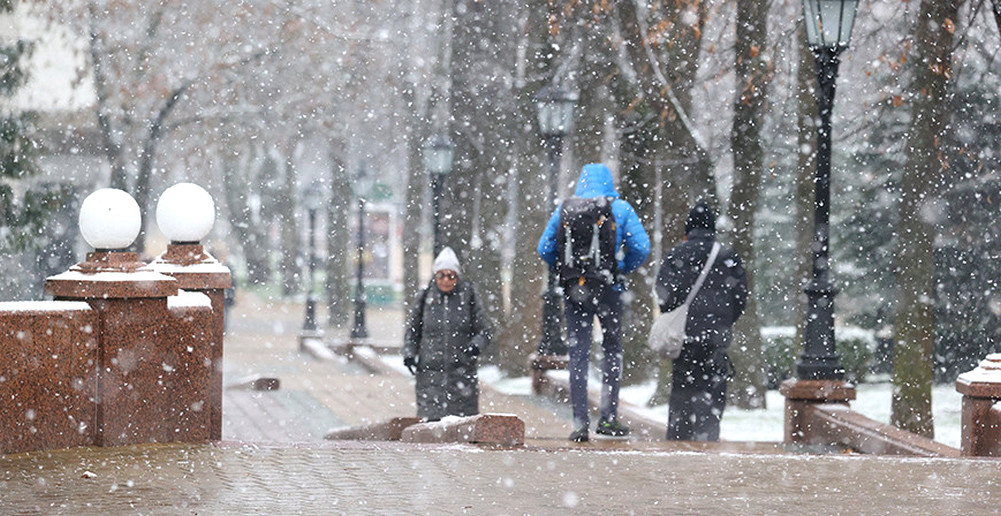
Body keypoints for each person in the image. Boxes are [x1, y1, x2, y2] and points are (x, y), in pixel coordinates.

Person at [537, 163, 650, 442]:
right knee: (612, 348)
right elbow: (642, 247)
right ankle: (609, 418)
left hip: (576, 289)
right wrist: (620, 266)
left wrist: (568, 272)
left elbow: (544, 248)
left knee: (578, 353)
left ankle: (580, 422)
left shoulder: (566, 208)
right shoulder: (620, 208)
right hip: (609, 288)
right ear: (609, 181)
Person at [656, 201, 748, 441]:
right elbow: (740, 297)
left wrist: (677, 314)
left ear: (688, 229)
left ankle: (679, 438)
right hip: (716, 337)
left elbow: (664, 293)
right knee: (713, 389)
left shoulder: (677, 254)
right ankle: (708, 439)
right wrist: (724, 321)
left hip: (684, 336)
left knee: (682, 389)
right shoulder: (728, 257)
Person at [402, 247, 491, 421]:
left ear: (457, 277)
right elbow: (413, 331)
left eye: (451, 276)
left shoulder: (468, 296)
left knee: (462, 423)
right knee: (430, 423)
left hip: (461, 373)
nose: (446, 280)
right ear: (435, 276)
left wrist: (474, 346)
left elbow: (484, 330)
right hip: (430, 375)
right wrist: (409, 354)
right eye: (441, 275)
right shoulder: (425, 297)